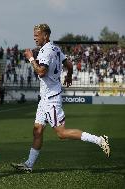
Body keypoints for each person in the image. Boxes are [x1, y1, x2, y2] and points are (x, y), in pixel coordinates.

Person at [11, 24, 110, 172]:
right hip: (45, 99)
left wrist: (31, 58)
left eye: (37, 35)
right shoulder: (56, 48)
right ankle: (29, 165)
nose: (34, 37)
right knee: (37, 130)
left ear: (46, 35)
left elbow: (41, 72)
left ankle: (100, 140)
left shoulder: (45, 51)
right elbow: (69, 64)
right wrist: (69, 75)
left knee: (61, 133)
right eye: (34, 34)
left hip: (51, 99)